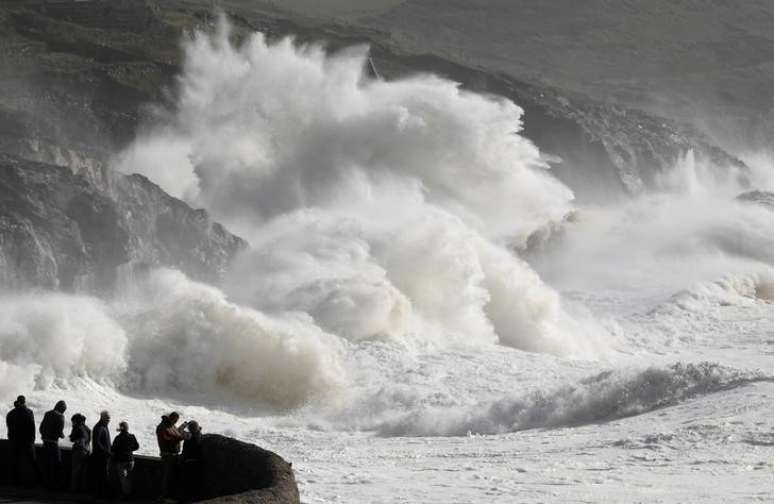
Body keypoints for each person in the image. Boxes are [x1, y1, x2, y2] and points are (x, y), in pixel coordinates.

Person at [156, 412, 189, 499]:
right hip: (168, 456)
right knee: (167, 477)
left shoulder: (170, 425)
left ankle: (168, 495)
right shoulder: (163, 427)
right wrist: (184, 436)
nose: (176, 422)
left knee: (170, 476)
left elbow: (176, 433)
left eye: (177, 421)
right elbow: (172, 438)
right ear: (171, 418)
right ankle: (164, 496)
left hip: (173, 455)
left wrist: (182, 427)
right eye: (175, 420)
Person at [6, 395, 36, 486]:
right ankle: (30, 482)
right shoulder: (29, 412)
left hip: (15, 441)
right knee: (30, 461)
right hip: (26, 441)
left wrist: (11, 439)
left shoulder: (11, 413)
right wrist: (32, 439)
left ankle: (14, 481)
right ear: (24, 401)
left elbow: (9, 428)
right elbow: (32, 427)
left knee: (15, 462)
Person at [39, 400, 67, 489]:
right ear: (63, 409)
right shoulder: (60, 416)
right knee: (56, 464)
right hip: (53, 443)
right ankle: (53, 485)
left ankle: (44, 484)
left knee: (45, 464)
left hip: (45, 442)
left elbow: (41, 428)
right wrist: (64, 437)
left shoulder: (47, 413)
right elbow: (60, 433)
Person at [111, 421, 140, 499]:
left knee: (123, 479)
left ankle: (126, 494)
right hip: (130, 459)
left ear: (121, 428)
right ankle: (131, 493)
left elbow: (113, 449)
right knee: (130, 478)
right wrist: (129, 449)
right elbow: (137, 447)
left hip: (121, 461)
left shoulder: (118, 438)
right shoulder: (132, 436)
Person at [90, 410, 112, 497]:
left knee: (103, 475)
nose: (109, 420)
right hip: (100, 457)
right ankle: (100, 494)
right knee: (101, 475)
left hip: (104, 456)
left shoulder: (104, 426)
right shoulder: (98, 427)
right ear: (102, 417)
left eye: (109, 418)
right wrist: (107, 452)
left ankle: (102, 494)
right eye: (107, 418)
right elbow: (97, 443)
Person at [181, 421, 204, 502]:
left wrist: (184, 425)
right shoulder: (199, 436)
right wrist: (198, 429)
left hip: (188, 462)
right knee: (193, 484)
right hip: (197, 463)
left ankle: (185, 499)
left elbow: (179, 432)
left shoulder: (189, 436)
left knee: (187, 483)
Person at [68, 413, 91, 492]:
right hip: (86, 451)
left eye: (73, 421)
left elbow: (72, 439)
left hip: (78, 451)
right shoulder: (88, 429)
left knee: (75, 471)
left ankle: (74, 489)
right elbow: (88, 440)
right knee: (84, 472)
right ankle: (83, 489)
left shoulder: (77, 427)